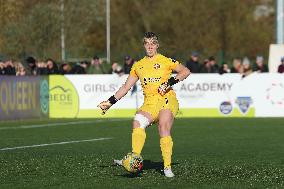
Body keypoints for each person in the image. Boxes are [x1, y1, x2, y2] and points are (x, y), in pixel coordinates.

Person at [97, 32, 190, 177]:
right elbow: (126, 87)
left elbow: (185, 71)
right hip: (150, 103)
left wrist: (170, 82)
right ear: (144, 46)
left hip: (167, 99)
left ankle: (167, 167)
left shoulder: (165, 60)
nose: (150, 46)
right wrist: (110, 102)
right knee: (137, 122)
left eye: (153, 43)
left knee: (163, 126)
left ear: (157, 45)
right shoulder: (138, 65)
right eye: (147, 43)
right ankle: (134, 159)